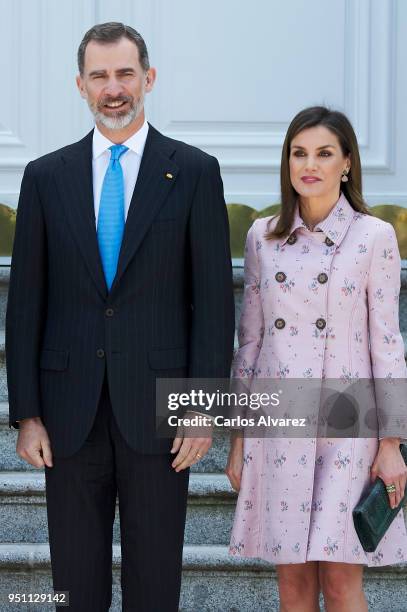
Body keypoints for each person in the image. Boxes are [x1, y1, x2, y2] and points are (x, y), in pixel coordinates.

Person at [6, 22, 234, 611]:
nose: (114, 88)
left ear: (148, 79)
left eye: (125, 73)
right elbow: (26, 303)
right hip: (67, 413)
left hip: (161, 415)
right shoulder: (45, 177)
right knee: (73, 591)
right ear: (79, 85)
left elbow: (212, 305)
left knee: (155, 586)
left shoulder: (193, 172)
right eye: (100, 76)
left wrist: (203, 410)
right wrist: (26, 413)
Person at [226, 106, 407, 612]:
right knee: (293, 586)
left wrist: (391, 444)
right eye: (299, 153)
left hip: (350, 428)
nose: (310, 164)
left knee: (343, 581)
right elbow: (251, 342)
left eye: (325, 154)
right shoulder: (263, 236)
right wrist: (239, 438)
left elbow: (387, 343)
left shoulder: (374, 237)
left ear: (346, 163)